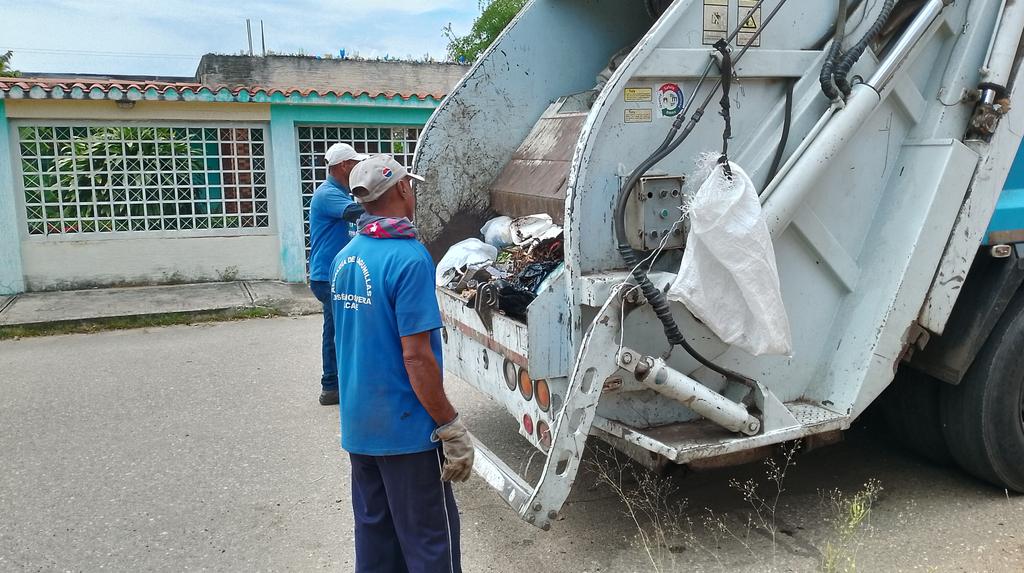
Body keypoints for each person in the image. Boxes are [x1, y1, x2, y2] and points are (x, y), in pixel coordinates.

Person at [330, 155, 474, 573]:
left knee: (376, 544)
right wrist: (449, 424)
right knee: (431, 545)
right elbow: (417, 357)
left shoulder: (347, 256)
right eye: (409, 185)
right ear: (401, 190)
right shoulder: (409, 258)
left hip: (360, 427)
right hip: (407, 430)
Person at [308, 143, 367, 406]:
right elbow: (357, 213)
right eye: (355, 164)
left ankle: (331, 385)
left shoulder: (340, 192)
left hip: (333, 274)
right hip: (327, 275)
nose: (357, 169)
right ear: (343, 166)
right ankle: (335, 384)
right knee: (343, 330)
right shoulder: (327, 194)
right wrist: (386, 200)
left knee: (334, 328)